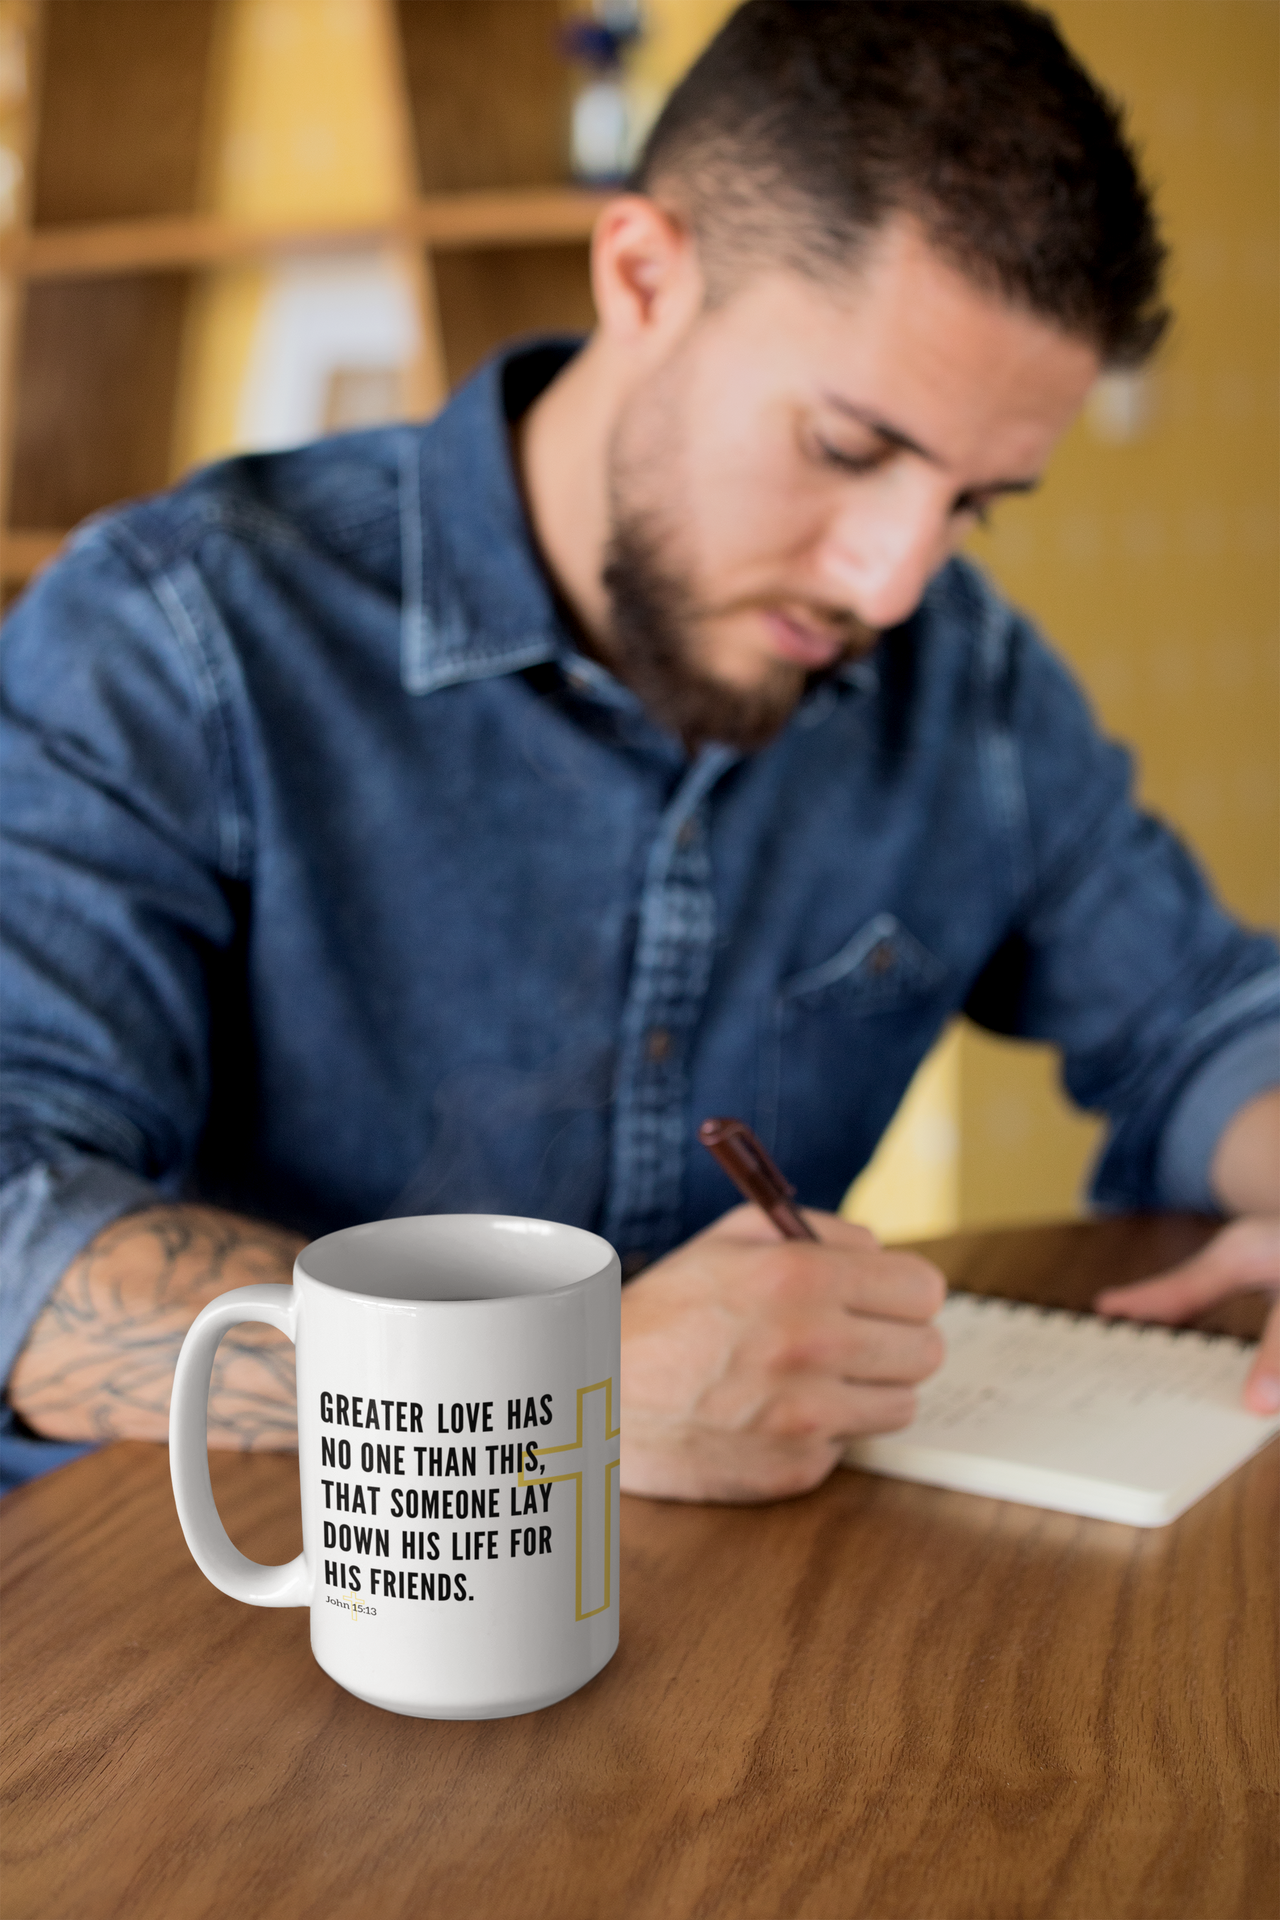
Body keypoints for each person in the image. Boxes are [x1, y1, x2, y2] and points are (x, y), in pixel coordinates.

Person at [1, 0, 1276, 1503]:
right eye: (851, 450)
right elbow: (17, 1219)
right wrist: (557, 1388)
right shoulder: (177, 635)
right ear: (644, 274)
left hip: (717, 1637)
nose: (891, 583)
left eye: (973, 503)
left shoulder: (966, 683)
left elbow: (1203, 1019)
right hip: (219, 1623)